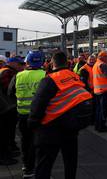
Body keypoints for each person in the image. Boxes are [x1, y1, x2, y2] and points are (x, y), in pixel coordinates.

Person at [28, 51, 92, 179]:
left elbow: (37, 106)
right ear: (67, 63)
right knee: (70, 163)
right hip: (71, 127)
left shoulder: (49, 80)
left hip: (50, 129)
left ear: (52, 63)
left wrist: (32, 125)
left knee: (44, 165)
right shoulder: (74, 76)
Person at [7, 51, 46, 177]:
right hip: (41, 116)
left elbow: (10, 93)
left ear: (27, 61)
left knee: (25, 141)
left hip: (23, 115)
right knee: (40, 143)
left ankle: (27, 168)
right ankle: (39, 169)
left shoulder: (18, 75)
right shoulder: (45, 75)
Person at [0, 56, 25, 166]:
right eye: (20, 64)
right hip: (5, 107)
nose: (22, 66)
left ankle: (7, 152)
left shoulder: (5, 71)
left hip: (4, 106)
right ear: (13, 63)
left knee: (7, 133)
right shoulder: (7, 72)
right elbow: (9, 90)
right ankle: (4, 157)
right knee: (5, 133)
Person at [79, 55, 96, 123]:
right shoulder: (84, 69)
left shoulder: (94, 67)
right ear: (87, 60)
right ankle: (90, 120)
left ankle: (92, 119)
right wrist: (88, 90)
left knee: (94, 106)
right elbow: (84, 82)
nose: (92, 61)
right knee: (89, 106)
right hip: (88, 91)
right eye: (90, 59)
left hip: (95, 90)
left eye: (93, 59)